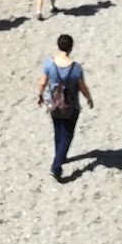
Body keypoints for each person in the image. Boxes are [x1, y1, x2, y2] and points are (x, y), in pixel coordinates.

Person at [37, 33, 93, 181]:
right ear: (71, 47)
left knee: (58, 131)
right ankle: (57, 165)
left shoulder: (49, 64)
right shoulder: (76, 68)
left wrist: (39, 95)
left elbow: (43, 82)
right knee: (67, 134)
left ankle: (60, 156)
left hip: (54, 103)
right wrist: (89, 98)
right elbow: (82, 87)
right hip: (71, 105)